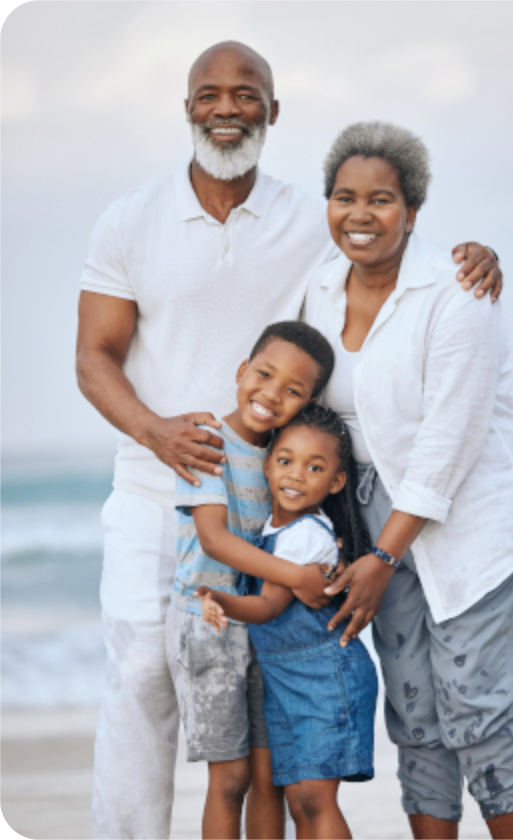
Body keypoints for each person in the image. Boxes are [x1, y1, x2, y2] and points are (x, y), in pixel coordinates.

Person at [76, 40, 503, 839]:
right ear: (187, 107)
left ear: (272, 112)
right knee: (138, 680)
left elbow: (386, 242)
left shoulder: (312, 218)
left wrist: (473, 257)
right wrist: (156, 432)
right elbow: (93, 357)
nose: (227, 108)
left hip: (277, 504)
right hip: (154, 488)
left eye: (246, 95)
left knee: (264, 727)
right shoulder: (129, 219)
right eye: (210, 94)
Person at [302, 121, 513, 840]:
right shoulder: (317, 288)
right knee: (415, 717)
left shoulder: (458, 291)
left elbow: (449, 440)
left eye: (381, 199)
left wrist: (384, 556)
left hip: (472, 523)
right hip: (370, 522)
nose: (360, 214)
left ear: (412, 211)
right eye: (345, 197)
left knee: (477, 711)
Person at [165, 320, 340, 840]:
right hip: (207, 625)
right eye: (264, 375)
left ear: (309, 402)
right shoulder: (207, 444)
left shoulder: (285, 458)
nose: (271, 394)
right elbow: (215, 540)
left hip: (265, 629)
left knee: (269, 776)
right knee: (231, 778)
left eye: (293, 390)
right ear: (242, 371)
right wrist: (297, 577)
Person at [199, 404, 378, 840]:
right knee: (298, 799)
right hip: (287, 680)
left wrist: (221, 598)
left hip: (325, 678)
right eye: (285, 461)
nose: (296, 475)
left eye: (314, 468)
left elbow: (268, 607)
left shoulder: (305, 537)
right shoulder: (272, 530)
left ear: (336, 482)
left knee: (315, 799)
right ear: (267, 466)